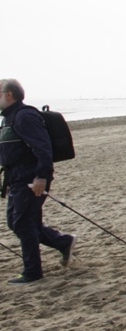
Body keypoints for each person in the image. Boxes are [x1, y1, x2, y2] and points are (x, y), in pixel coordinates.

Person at [0, 79, 77, 285]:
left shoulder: (25, 116)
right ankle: (64, 242)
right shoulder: (8, 118)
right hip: (16, 179)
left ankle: (32, 272)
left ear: (9, 94)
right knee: (16, 222)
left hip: (31, 178)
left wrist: (42, 176)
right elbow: (12, 153)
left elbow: (43, 148)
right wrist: (8, 180)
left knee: (23, 224)